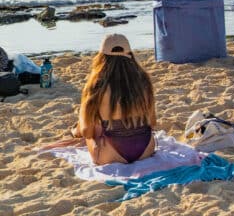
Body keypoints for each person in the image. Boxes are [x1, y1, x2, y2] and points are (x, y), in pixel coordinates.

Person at [47, 34, 156, 165]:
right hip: (146, 150)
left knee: (91, 123)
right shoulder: (144, 80)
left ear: (102, 57)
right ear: (130, 54)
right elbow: (152, 122)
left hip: (110, 153)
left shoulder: (97, 84)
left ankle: (75, 129)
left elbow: (87, 132)